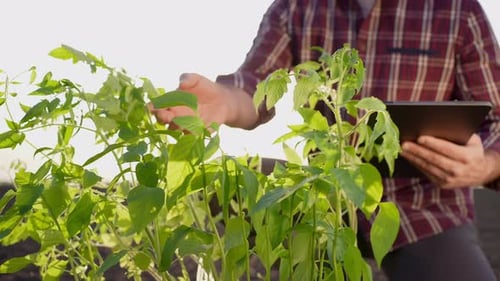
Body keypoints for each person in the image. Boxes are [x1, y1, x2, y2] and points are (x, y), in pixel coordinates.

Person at [150, 0, 500, 280]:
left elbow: (497, 120)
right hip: (323, 198)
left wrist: (483, 165)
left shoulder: (456, 9)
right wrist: (225, 101)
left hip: (425, 207)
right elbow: (255, 87)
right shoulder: (298, 7)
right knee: (222, 183)